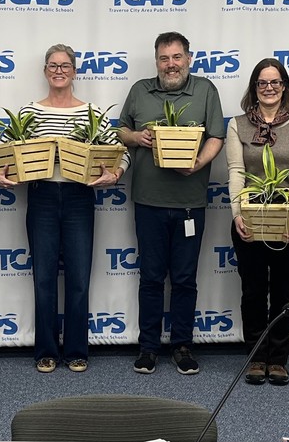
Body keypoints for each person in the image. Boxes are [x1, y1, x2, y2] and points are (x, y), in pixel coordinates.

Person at [0, 44, 130, 374]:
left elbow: (121, 152)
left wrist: (116, 174)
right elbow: (2, 152)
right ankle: (46, 350)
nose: (59, 71)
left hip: (80, 196)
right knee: (44, 278)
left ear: (74, 71)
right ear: (45, 71)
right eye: (52, 65)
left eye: (65, 65)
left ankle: (77, 349)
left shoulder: (91, 112)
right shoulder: (30, 112)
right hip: (42, 196)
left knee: (79, 277)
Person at [119, 31, 225, 375]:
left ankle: (182, 345)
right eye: (164, 58)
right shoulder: (140, 90)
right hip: (148, 201)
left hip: (190, 203)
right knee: (150, 278)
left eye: (177, 57)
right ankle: (148, 347)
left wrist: (198, 163)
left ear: (188, 59)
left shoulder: (205, 90)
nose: (171, 64)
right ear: (156, 61)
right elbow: (121, 130)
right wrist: (137, 137)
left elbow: (217, 135)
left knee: (184, 279)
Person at [226, 58, 289, 387]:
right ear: (254, 88)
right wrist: (237, 214)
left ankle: (278, 359)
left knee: (284, 290)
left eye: (275, 82)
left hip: (287, 218)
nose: (269, 88)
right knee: (252, 291)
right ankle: (256, 356)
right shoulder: (237, 125)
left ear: (284, 86)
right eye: (262, 83)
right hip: (250, 218)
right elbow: (236, 172)